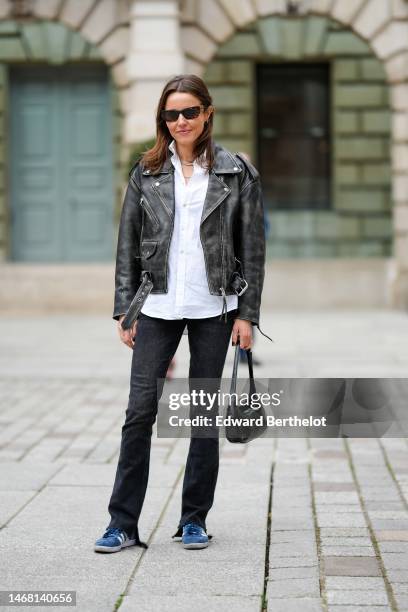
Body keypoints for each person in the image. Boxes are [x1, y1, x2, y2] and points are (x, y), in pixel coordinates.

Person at [94, 74, 268, 553]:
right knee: (139, 413)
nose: (181, 121)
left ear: (207, 113)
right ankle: (122, 523)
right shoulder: (146, 171)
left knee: (203, 415)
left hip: (215, 306)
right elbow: (127, 245)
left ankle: (194, 519)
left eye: (190, 111)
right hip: (157, 304)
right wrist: (124, 311)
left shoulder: (235, 173)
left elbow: (252, 250)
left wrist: (246, 315)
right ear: (162, 119)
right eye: (172, 114)